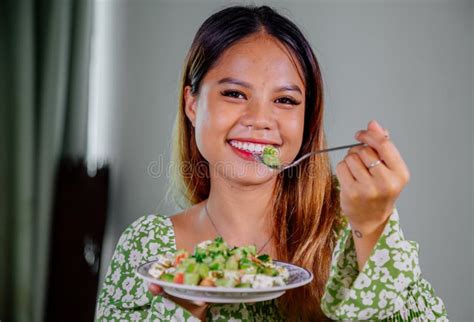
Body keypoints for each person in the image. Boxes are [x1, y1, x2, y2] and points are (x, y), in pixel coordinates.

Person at [95, 5, 448, 321]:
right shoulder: (150, 247)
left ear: (307, 117)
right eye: (234, 94)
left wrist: (372, 228)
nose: (261, 119)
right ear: (191, 103)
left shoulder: (347, 230)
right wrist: (181, 314)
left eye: (285, 100)